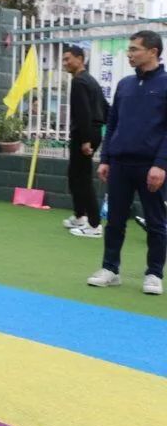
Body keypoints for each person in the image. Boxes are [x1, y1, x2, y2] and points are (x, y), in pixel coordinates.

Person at [88, 30, 167, 296]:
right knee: (115, 221)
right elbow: (112, 125)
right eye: (129, 49)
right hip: (120, 165)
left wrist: (161, 164)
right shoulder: (125, 85)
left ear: (153, 51)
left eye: (134, 49)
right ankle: (110, 269)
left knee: (156, 223)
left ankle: (154, 273)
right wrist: (106, 158)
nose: (129, 54)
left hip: (151, 167)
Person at [62, 43, 108, 238]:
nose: (65, 63)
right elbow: (106, 108)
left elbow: (83, 113)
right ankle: (80, 216)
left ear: (80, 59)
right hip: (90, 132)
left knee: (82, 179)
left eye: (68, 59)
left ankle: (95, 225)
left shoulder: (80, 81)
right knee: (74, 175)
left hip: (85, 135)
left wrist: (87, 140)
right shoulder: (89, 80)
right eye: (63, 59)